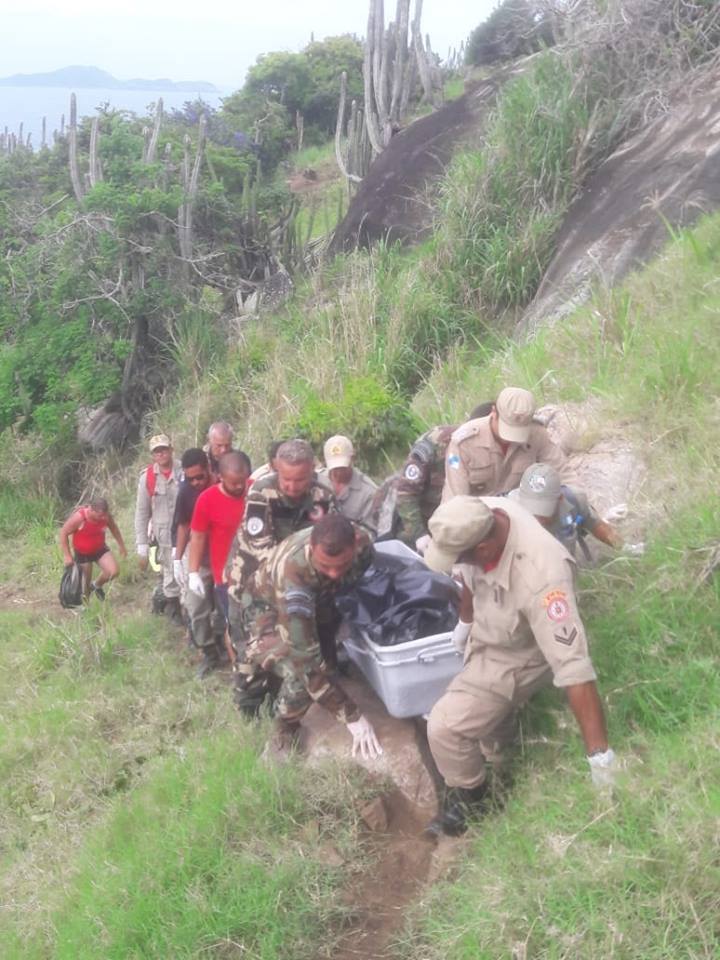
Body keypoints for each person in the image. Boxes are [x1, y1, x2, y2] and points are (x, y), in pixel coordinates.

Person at [422, 495, 617, 837]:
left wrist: (600, 760)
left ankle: (475, 801)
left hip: (521, 652)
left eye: (460, 556)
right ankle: (500, 757)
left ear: (483, 549)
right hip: (490, 628)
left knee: (445, 728)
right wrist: (465, 623)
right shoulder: (481, 512)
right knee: (490, 732)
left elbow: (575, 671)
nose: (456, 563)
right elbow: (467, 576)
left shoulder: (542, 578)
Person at [244, 513, 382, 760]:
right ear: (311, 549)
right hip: (268, 613)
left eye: (341, 565)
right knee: (304, 677)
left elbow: (349, 582)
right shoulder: (293, 577)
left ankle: (328, 669)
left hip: (320, 601)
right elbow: (305, 662)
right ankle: (283, 730)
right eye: (325, 565)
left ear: (354, 547)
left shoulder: (364, 544)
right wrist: (352, 716)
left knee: (326, 664)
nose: (332, 572)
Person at [228, 438, 336, 713]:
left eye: (299, 480)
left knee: (309, 640)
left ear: (312, 470)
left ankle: (305, 695)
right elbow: (263, 553)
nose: (291, 487)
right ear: (276, 468)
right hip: (253, 583)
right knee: (252, 652)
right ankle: (250, 709)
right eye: (286, 479)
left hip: (301, 582)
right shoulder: (261, 493)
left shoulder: (322, 495)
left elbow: (329, 541)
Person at [372, 403, 494, 548]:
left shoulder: (491, 453)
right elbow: (406, 491)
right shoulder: (436, 442)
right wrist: (419, 535)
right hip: (415, 522)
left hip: (456, 524)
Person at [187, 450, 251, 676]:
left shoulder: (256, 490)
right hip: (225, 574)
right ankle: (240, 671)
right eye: (234, 483)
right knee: (233, 624)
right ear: (221, 477)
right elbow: (197, 536)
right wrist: (193, 572)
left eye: (242, 481)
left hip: (257, 572)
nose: (239, 487)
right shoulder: (207, 500)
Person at [441, 387, 567, 502]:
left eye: (520, 430)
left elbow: (563, 474)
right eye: (508, 428)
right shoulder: (463, 443)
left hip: (520, 509)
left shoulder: (537, 434)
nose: (511, 440)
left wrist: (572, 500)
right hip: (477, 514)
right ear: (494, 412)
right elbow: (456, 500)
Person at [509, 463, 624, 559]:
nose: (538, 517)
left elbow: (597, 526)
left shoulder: (574, 499)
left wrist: (626, 548)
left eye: (542, 510)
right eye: (532, 509)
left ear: (560, 499)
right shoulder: (507, 512)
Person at [171, 448, 220, 667]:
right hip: (200, 557)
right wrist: (177, 558)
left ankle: (226, 643)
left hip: (225, 555)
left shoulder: (223, 484)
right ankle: (208, 651)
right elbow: (183, 525)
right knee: (196, 606)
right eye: (191, 479)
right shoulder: (186, 492)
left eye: (200, 477)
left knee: (225, 608)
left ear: (208, 468)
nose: (196, 482)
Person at [134, 434, 183, 624]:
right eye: (156, 451)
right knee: (169, 571)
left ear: (171, 449)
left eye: (164, 449)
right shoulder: (147, 478)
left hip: (185, 529)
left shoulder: (184, 470)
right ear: (152, 455)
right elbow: (142, 512)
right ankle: (174, 609)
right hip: (163, 534)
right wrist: (142, 544)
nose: (161, 453)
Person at [59, 497, 127, 600]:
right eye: (100, 515)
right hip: (83, 554)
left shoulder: (105, 517)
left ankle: (96, 585)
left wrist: (121, 546)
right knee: (84, 585)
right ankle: (86, 608)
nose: (103, 518)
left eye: (104, 515)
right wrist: (67, 555)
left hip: (100, 549)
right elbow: (63, 532)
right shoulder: (79, 518)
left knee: (114, 572)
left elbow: (114, 529)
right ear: (91, 510)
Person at [319, 435, 378, 533]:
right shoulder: (317, 481)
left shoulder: (370, 493)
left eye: (343, 467)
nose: (338, 472)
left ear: (352, 459)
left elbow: (371, 532)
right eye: (334, 468)